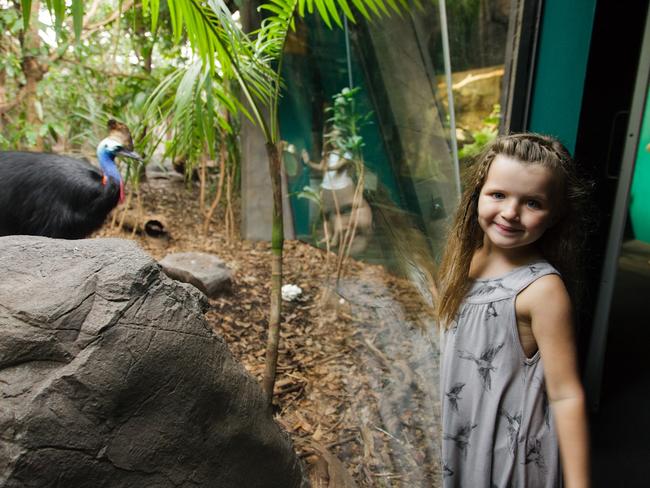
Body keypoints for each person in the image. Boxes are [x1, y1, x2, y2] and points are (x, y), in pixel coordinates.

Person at [436, 133, 591, 487]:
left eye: (532, 203)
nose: (510, 212)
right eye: (498, 195)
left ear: (554, 217)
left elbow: (566, 394)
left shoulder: (542, 291)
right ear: (477, 194)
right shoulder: (463, 261)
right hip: (459, 435)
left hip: (508, 456)